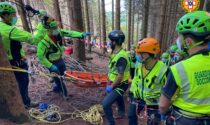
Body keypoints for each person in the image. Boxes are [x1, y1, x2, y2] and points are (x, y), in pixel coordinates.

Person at [159, 11, 210, 125]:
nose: (178, 40)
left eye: (179, 36)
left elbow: (163, 105)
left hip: (185, 120)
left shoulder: (179, 69)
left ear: (188, 41)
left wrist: (163, 113)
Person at [37, 20, 90, 97]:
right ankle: (64, 93)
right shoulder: (43, 42)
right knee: (58, 79)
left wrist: (81, 34)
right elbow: (41, 56)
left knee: (64, 75)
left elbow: (70, 33)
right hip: (52, 63)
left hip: (60, 60)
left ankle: (57, 87)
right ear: (48, 29)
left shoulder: (58, 33)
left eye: (57, 27)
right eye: (55, 28)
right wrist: (50, 66)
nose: (57, 29)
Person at [0, 2, 39, 108]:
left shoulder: (6, 27)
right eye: (13, 15)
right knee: (21, 83)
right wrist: (42, 27)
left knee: (23, 82)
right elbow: (32, 39)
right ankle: (24, 104)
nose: (15, 17)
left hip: (17, 60)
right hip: (14, 63)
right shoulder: (6, 29)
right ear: (4, 15)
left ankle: (25, 102)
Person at [128, 38, 168, 125]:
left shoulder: (163, 70)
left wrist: (165, 107)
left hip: (153, 103)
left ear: (146, 54)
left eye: (139, 53)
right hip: (137, 97)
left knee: (153, 122)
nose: (136, 55)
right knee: (131, 116)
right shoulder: (139, 64)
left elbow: (168, 90)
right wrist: (131, 91)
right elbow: (136, 78)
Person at [102, 30, 130, 125]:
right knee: (118, 97)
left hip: (120, 84)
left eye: (111, 41)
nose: (110, 43)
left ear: (114, 42)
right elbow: (113, 70)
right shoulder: (116, 53)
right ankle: (121, 112)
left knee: (105, 104)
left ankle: (111, 123)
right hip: (116, 82)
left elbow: (120, 76)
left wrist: (112, 86)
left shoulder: (121, 57)